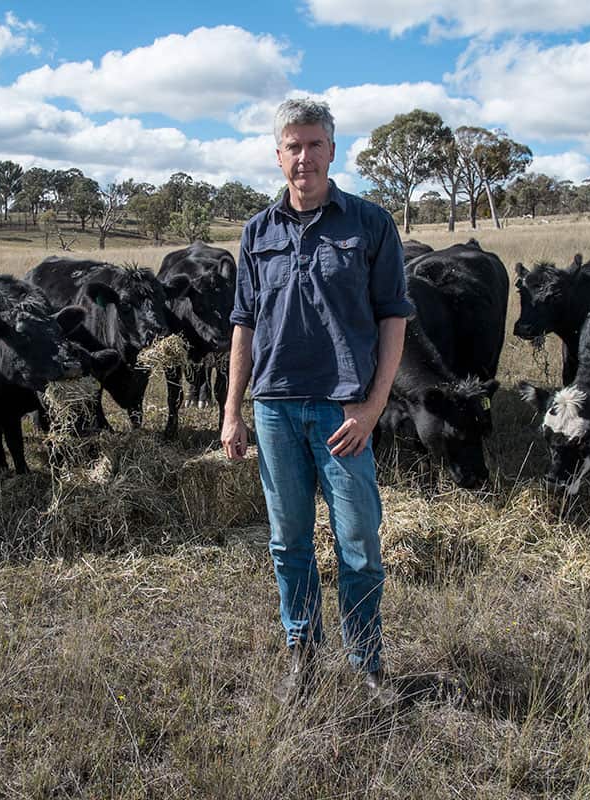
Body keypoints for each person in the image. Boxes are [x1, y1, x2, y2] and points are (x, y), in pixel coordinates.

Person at [220, 98, 412, 700]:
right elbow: (244, 324)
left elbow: (393, 319)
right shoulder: (257, 232)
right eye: (292, 146)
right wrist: (233, 410)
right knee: (288, 541)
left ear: (333, 150)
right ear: (278, 156)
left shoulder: (370, 224)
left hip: (344, 410)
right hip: (275, 407)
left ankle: (365, 662)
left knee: (358, 539)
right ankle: (301, 650)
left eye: (315, 144)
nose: (304, 157)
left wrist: (373, 407)